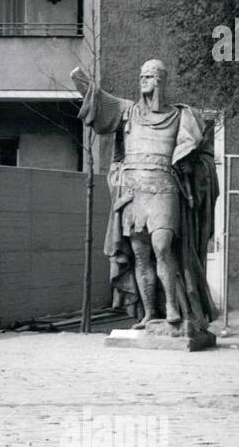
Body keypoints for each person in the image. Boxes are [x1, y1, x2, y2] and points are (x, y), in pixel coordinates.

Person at [70, 59, 218, 332]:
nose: (144, 80)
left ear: (162, 80)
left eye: (150, 76)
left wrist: (191, 164)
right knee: (141, 255)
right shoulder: (129, 113)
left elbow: (203, 156)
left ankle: (172, 307)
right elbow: (100, 103)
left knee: (162, 247)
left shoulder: (182, 115)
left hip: (165, 188)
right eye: (141, 76)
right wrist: (82, 82)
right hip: (134, 192)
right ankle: (150, 313)